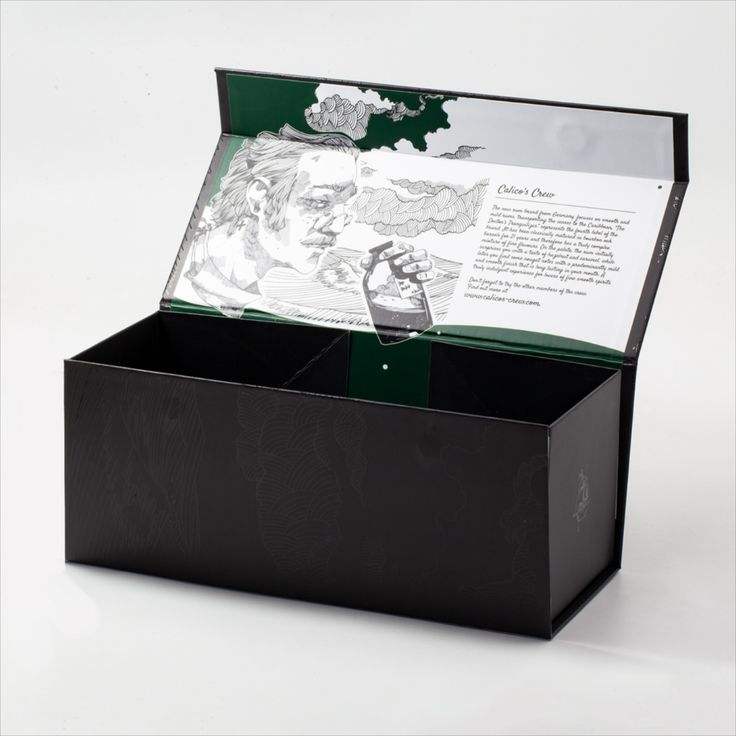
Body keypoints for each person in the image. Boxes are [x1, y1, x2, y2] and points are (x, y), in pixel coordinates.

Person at [185, 125, 433, 317]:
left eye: (345, 206)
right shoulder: (192, 274)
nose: (336, 228)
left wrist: (385, 289)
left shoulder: (241, 286)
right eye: (319, 202)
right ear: (259, 197)